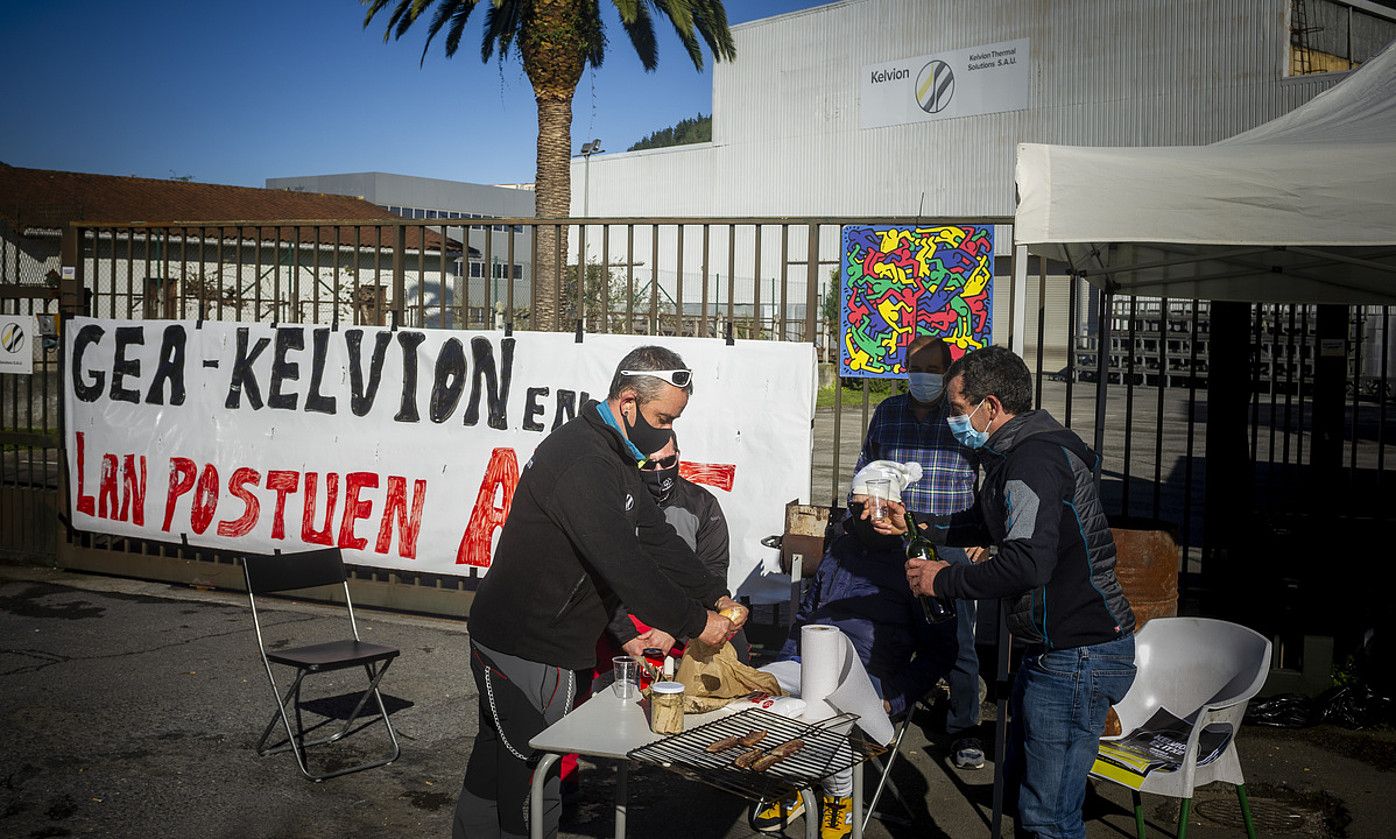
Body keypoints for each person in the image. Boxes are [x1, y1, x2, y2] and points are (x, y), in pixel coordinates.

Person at [456, 345, 748, 839]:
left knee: (496, 757)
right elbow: (627, 568)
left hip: (533, 638)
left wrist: (715, 595)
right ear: (628, 402)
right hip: (527, 643)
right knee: (530, 778)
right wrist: (699, 624)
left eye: (673, 421)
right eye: (660, 418)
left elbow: (657, 539)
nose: (663, 431)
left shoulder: (614, 453)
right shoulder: (585, 461)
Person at [902, 345, 1137, 839]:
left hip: (1078, 652)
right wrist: (924, 525)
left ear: (990, 405)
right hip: (1058, 649)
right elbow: (990, 523)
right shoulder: (1017, 452)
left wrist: (942, 578)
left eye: (957, 408)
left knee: (1048, 817)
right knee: (1027, 799)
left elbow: (1026, 562)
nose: (952, 419)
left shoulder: (1032, 461)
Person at [751, 461, 959, 839]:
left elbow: (941, 652)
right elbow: (806, 615)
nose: (860, 514)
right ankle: (795, 779)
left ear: (891, 509)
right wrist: (783, 660)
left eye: (871, 506)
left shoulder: (914, 563)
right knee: (759, 689)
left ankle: (837, 799)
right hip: (807, 658)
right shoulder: (841, 548)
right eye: (854, 503)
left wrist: (894, 699)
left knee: (829, 710)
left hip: (867, 673)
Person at [851, 334, 987, 770]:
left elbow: (997, 474)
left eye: (933, 369)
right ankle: (882, 709)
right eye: (916, 367)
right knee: (886, 629)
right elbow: (864, 468)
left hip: (951, 544)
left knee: (958, 640)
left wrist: (986, 531)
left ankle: (964, 727)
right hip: (895, 540)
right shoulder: (889, 413)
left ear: (948, 373)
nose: (923, 377)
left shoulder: (962, 418)